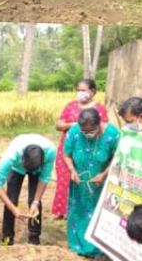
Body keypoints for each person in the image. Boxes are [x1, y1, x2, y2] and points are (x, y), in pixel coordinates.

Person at [63, 107, 120, 256]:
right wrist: (72, 171)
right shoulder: (74, 131)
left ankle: (97, 249)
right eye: (84, 131)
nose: (88, 134)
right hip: (79, 183)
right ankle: (77, 245)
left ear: (99, 124)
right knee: (78, 212)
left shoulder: (112, 134)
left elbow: (118, 157)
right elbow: (67, 154)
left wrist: (104, 174)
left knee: (98, 214)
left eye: (91, 131)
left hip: (101, 184)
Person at [53, 78, 109, 219]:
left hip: (88, 150)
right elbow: (59, 125)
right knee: (64, 178)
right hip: (67, 148)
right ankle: (63, 211)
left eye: (83, 90)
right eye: (78, 90)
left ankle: (80, 210)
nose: (80, 93)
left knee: (84, 178)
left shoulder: (99, 109)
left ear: (93, 91)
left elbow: (103, 129)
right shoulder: (71, 106)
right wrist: (74, 125)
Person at [0, 133, 56, 245]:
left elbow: (45, 177)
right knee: (11, 200)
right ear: (22, 158)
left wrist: (36, 202)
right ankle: (7, 238)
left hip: (38, 170)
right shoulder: (12, 155)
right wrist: (13, 209)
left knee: (34, 201)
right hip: (16, 168)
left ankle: (34, 238)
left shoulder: (50, 152)